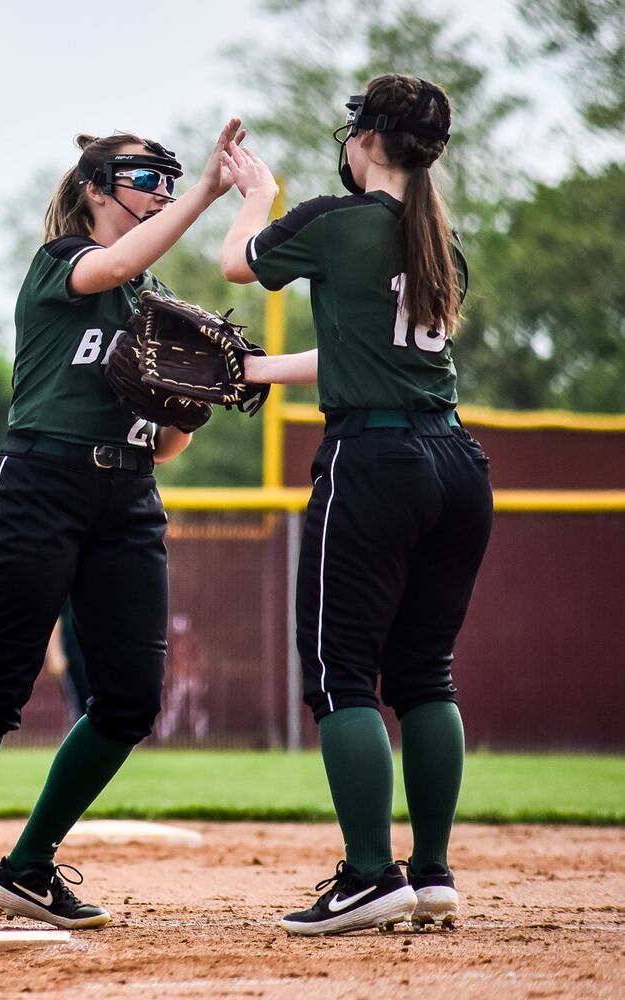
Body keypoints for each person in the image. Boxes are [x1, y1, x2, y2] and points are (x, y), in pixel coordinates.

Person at [0, 120, 245, 929]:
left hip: (127, 500)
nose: (160, 191)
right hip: (42, 482)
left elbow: (164, 445)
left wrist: (195, 398)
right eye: (143, 177)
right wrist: (207, 190)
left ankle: (27, 866)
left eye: (169, 180)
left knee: (129, 699)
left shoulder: (156, 303)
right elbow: (119, 262)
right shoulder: (63, 262)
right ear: (94, 188)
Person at [218, 74, 493, 935]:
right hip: (455, 462)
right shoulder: (438, 238)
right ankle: (433, 874)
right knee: (424, 676)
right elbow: (365, 348)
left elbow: (238, 263)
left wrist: (256, 194)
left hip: (373, 463)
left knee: (340, 674)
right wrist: (259, 369)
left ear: (366, 139)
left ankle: (372, 874)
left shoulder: (336, 222)